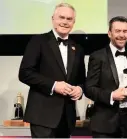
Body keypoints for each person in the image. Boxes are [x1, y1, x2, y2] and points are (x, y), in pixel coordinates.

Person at [18, 3, 86, 138]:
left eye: (69, 19)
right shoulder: (38, 41)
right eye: (62, 17)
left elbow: (81, 79)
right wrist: (54, 85)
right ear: (53, 19)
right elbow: (25, 73)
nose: (65, 22)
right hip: (42, 116)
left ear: (73, 22)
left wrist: (80, 89)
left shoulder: (77, 48)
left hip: (67, 118)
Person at [85, 16, 127, 138]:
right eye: (118, 31)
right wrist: (112, 95)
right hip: (105, 124)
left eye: (125, 31)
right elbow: (89, 88)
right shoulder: (97, 56)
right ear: (109, 33)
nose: (122, 35)